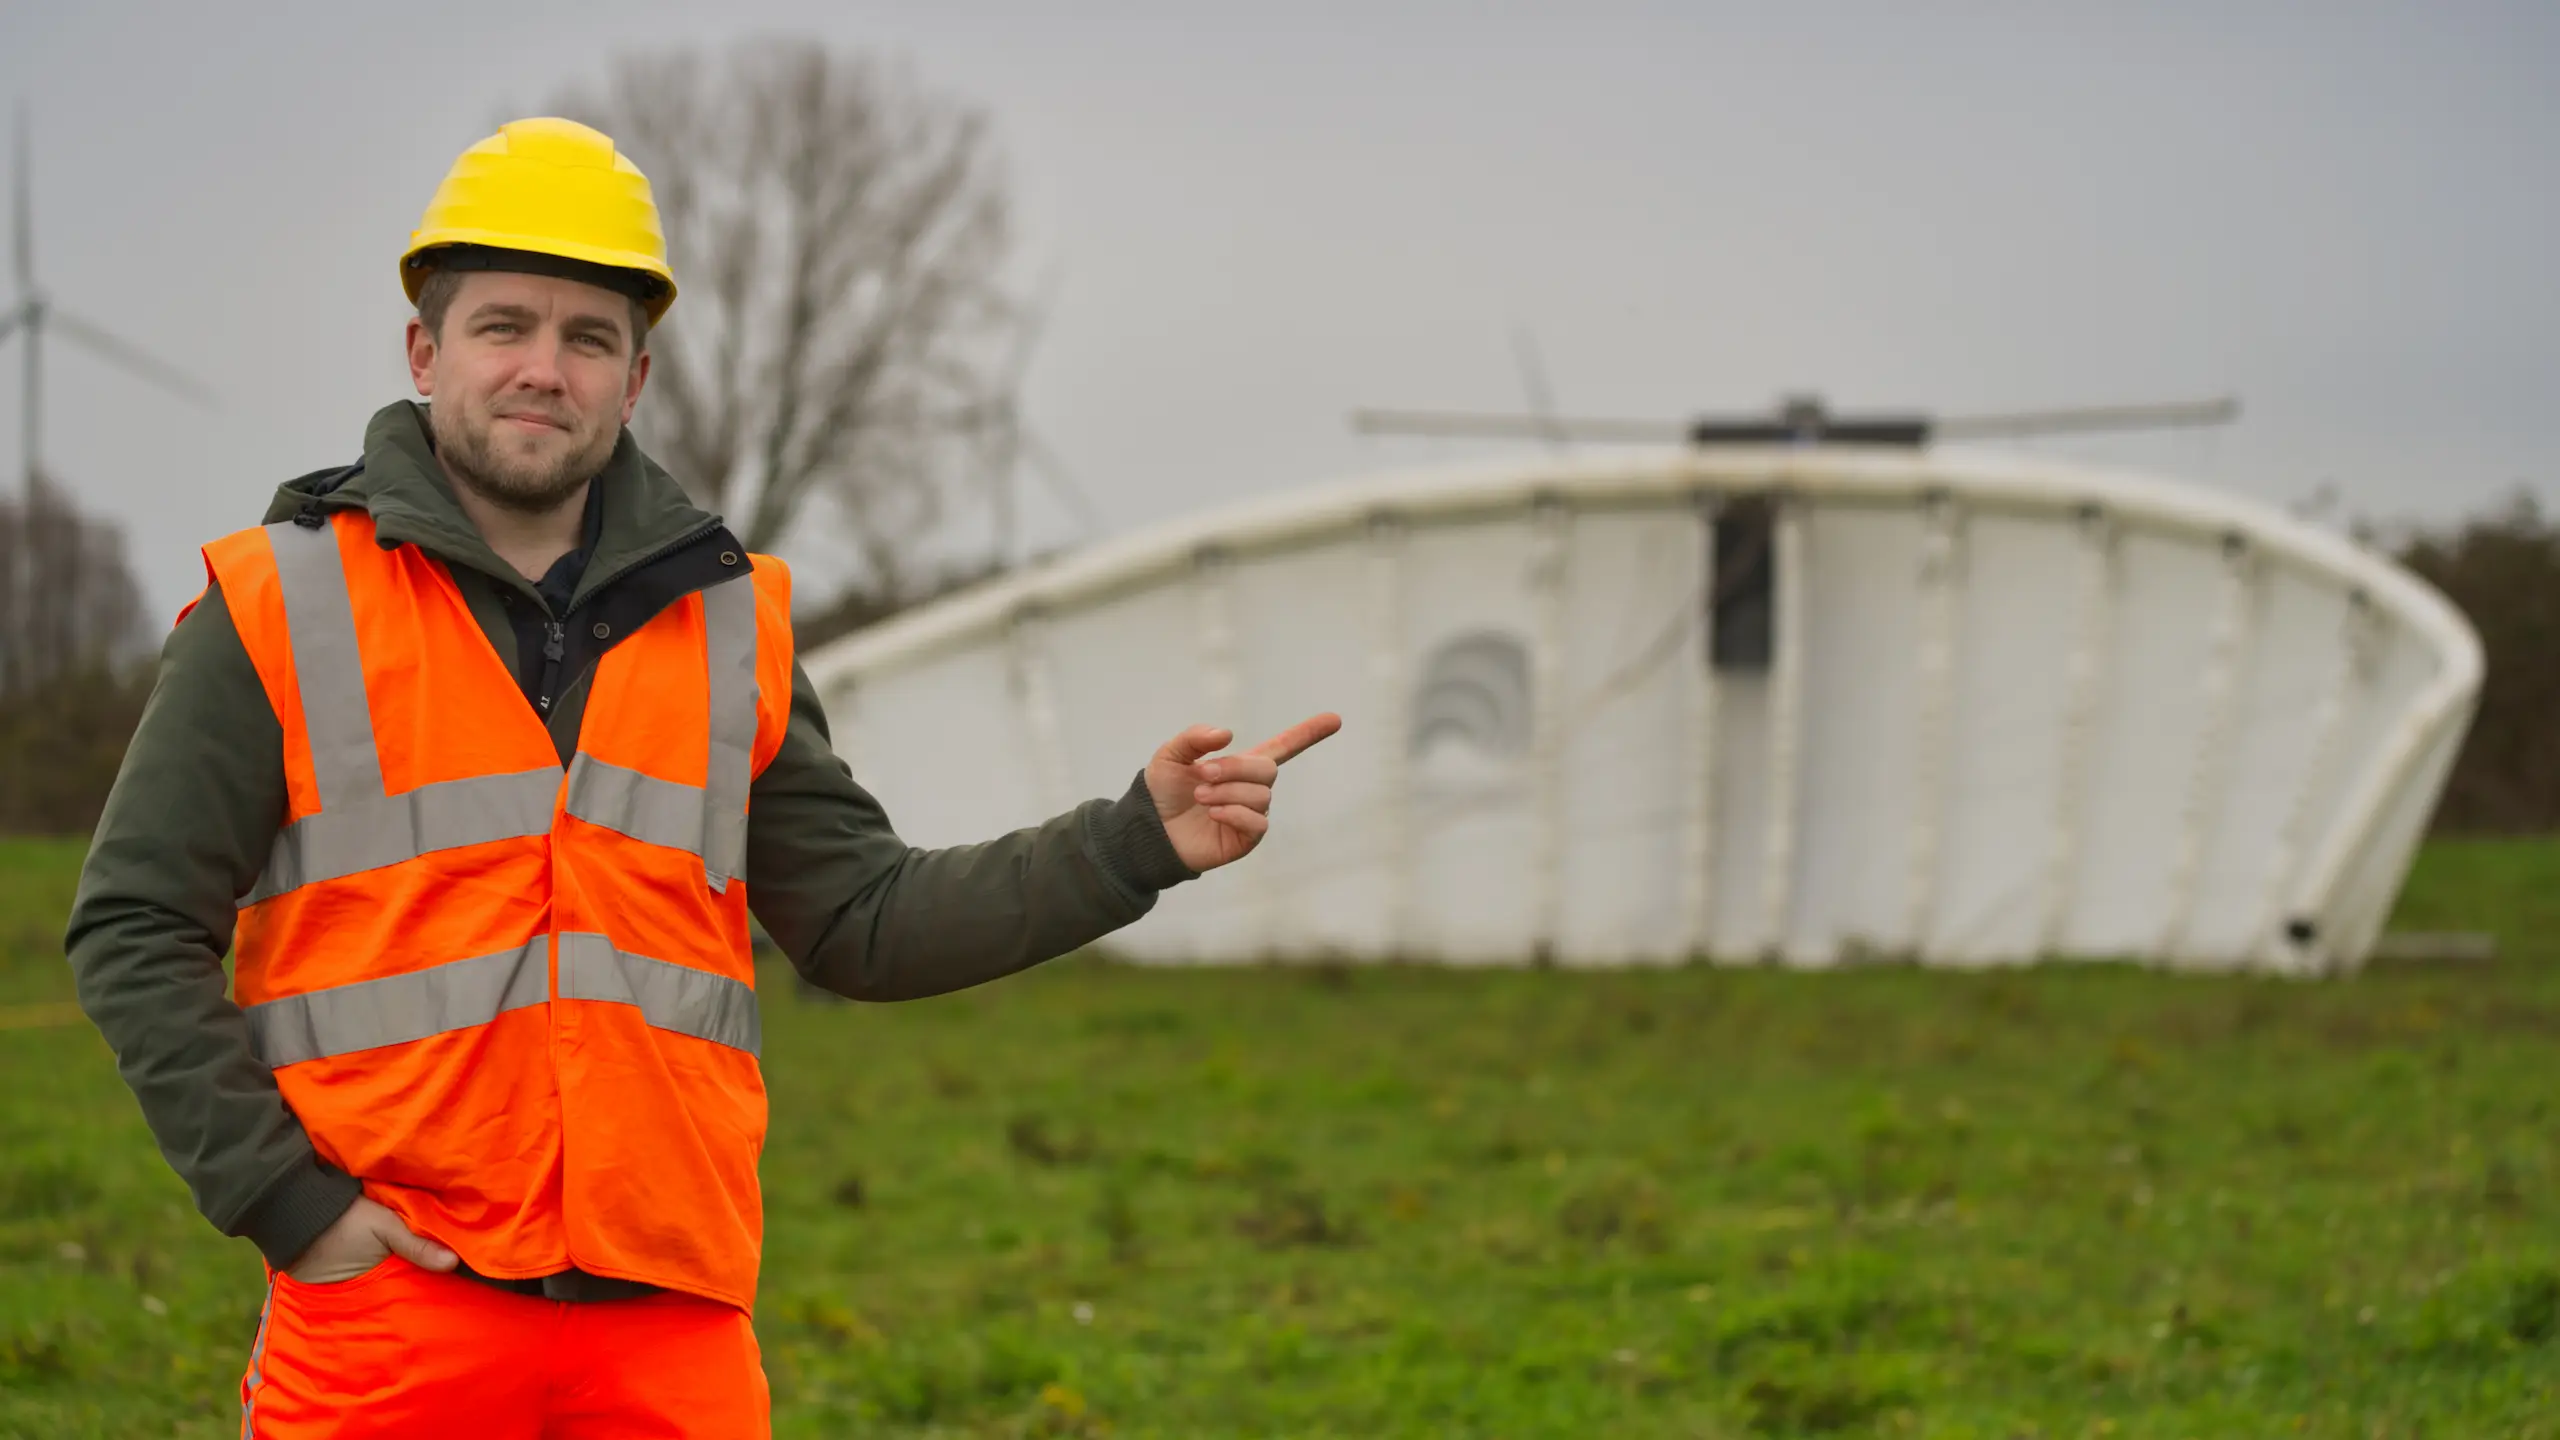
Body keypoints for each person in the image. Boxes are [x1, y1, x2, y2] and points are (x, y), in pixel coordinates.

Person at [63, 116, 1338, 1438]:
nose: (543, 369)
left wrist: (1133, 844)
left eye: (588, 338)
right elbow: (132, 926)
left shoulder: (732, 623)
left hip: (670, 1325)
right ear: (424, 351)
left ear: (638, 378)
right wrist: (292, 1210)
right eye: (504, 326)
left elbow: (862, 923)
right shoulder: (276, 603)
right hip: (393, 1308)